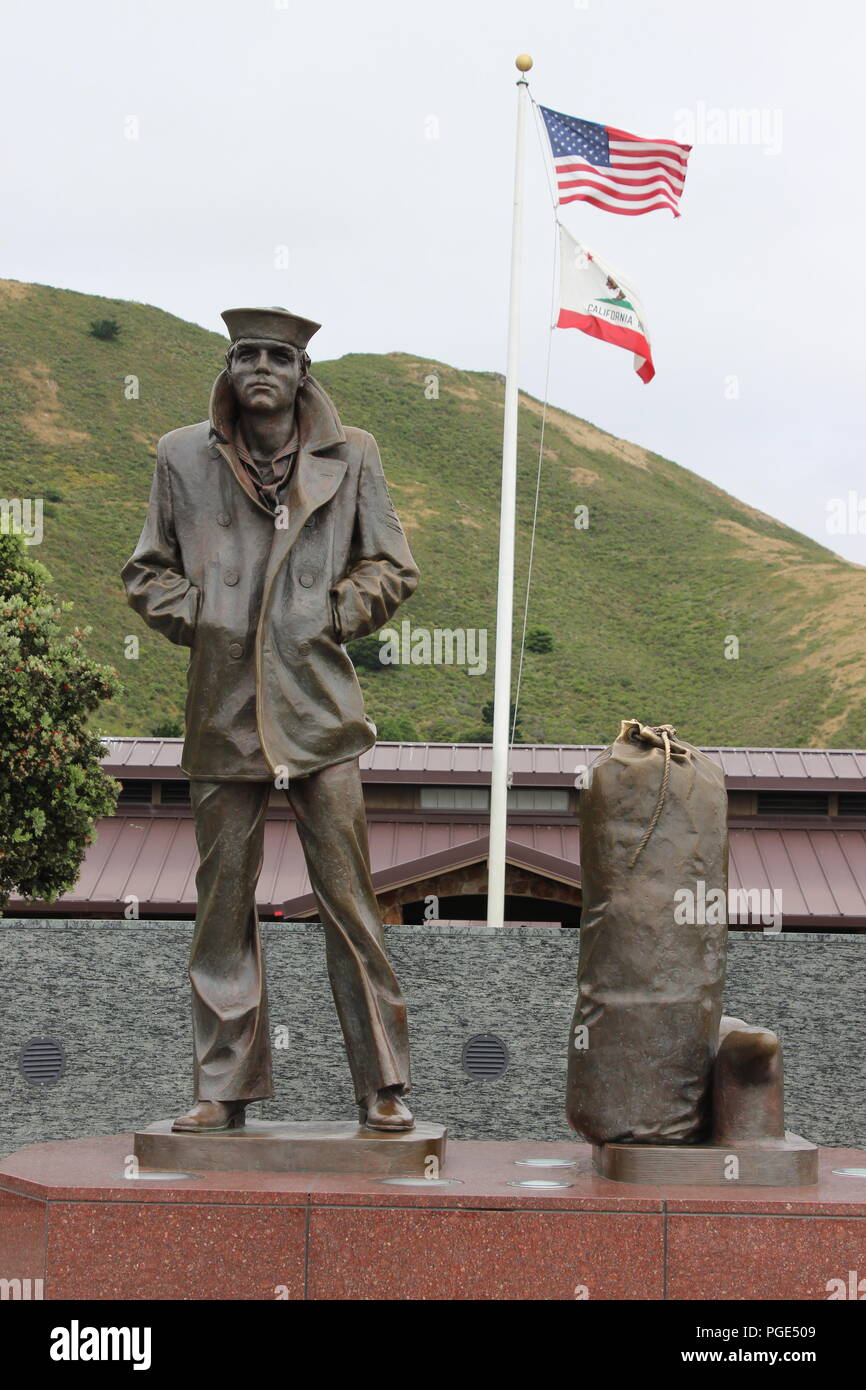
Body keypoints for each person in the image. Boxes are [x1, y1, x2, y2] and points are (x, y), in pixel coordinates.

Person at [122, 306, 418, 1133]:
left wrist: (327, 615)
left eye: (278, 358)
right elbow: (147, 571)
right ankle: (222, 1088)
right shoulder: (182, 456)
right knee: (222, 907)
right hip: (223, 712)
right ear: (228, 367)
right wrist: (209, 618)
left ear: (300, 375)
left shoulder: (350, 454)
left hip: (318, 711)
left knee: (351, 900)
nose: (261, 368)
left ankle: (381, 1086)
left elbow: (393, 567)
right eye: (246, 354)